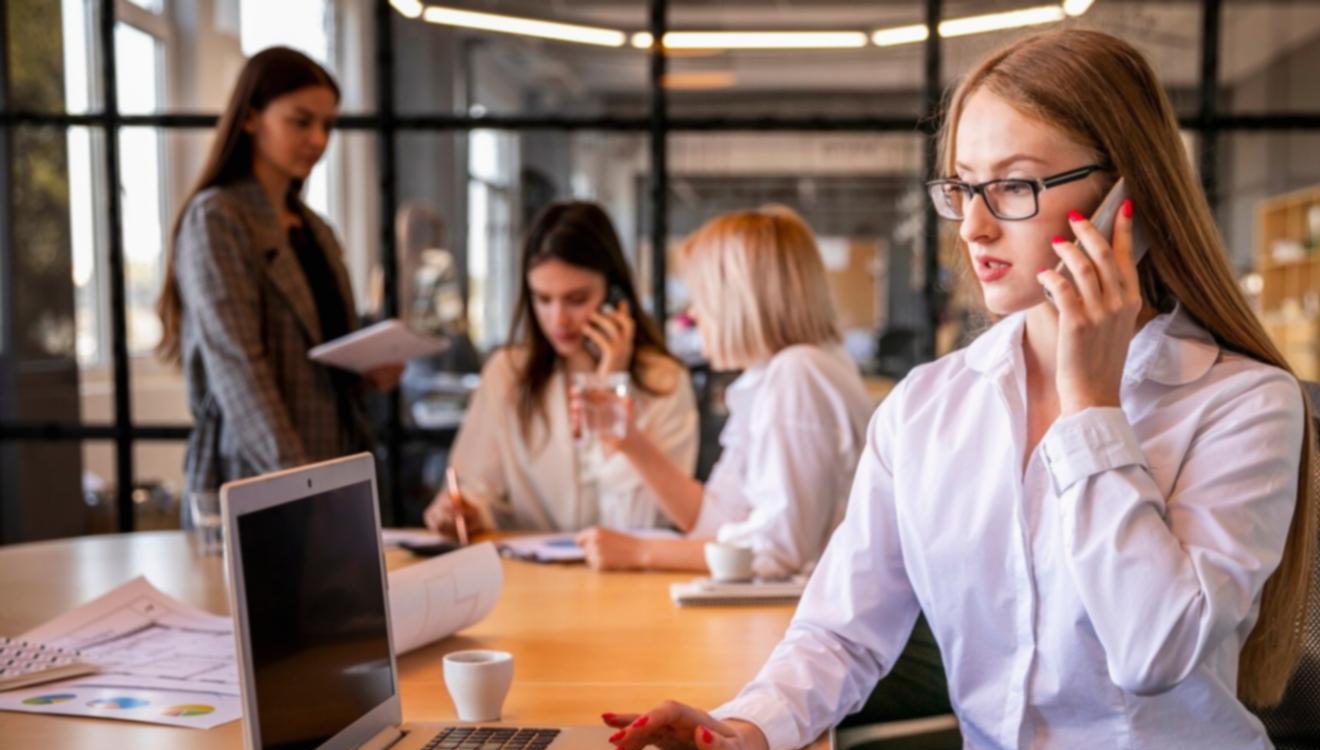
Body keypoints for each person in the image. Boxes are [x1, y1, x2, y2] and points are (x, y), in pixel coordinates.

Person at [602, 29, 1317, 750]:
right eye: (962, 187)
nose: (974, 226)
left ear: (1124, 198)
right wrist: (748, 726)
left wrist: (1091, 406)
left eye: (1013, 186)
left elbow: (1152, 651)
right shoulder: (927, 406)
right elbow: (845, 634)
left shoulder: (1238, 403)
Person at [158, 47, 400, 508]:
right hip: (258, 476)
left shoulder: (315, 228)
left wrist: (368, 370)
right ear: (251, 119)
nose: (318, 139)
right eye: (301, 121)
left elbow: (321, 352)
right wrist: (299, 482)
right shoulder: (218, 218)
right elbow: (238, 368)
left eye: (328, 125)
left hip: (334, 461)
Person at [574, 206, 873, 579]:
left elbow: (776, 552)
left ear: (740, 299)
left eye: (702, 297)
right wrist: (629, 441)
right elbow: (717, 526)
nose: (694, 315)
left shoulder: (799, 373)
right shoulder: (774, 376)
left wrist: (641, 551)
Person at [424, 202, 697, 535]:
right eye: (543, 299)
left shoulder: (665, 381)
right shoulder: (507, 373)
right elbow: (477, 488)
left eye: (576, 299)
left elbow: (640, 522)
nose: (558, 320)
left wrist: (610, 383)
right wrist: (465, 511)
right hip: (531, 576)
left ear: (614, 294)